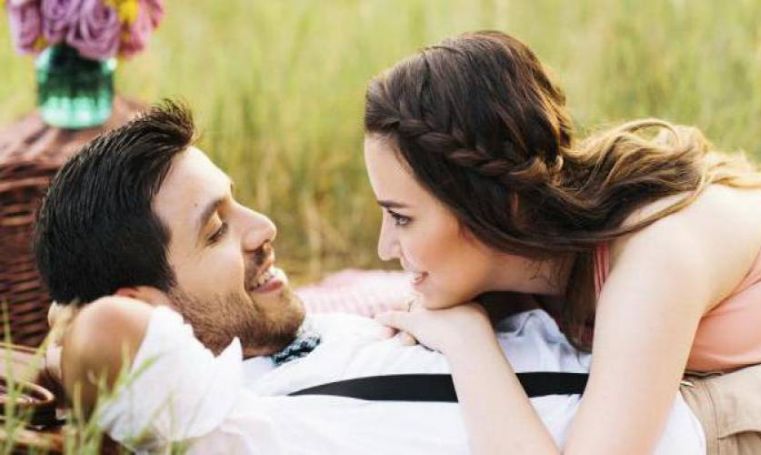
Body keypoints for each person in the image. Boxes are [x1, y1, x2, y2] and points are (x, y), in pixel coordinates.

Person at [33, 101, 704, 453]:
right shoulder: (213, 422)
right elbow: (105, 332)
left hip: (653, 366)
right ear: (148, 310)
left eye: (238, 204)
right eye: (216, 230)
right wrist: (57, 352)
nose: (263, 227)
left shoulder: (294, 335)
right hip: (696, 433)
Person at [363, 30, 761, 454]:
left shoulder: (652, 257)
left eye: (402, 217)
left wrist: (467, 339)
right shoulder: (537, 262)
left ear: (490, 204)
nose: (385, 248)